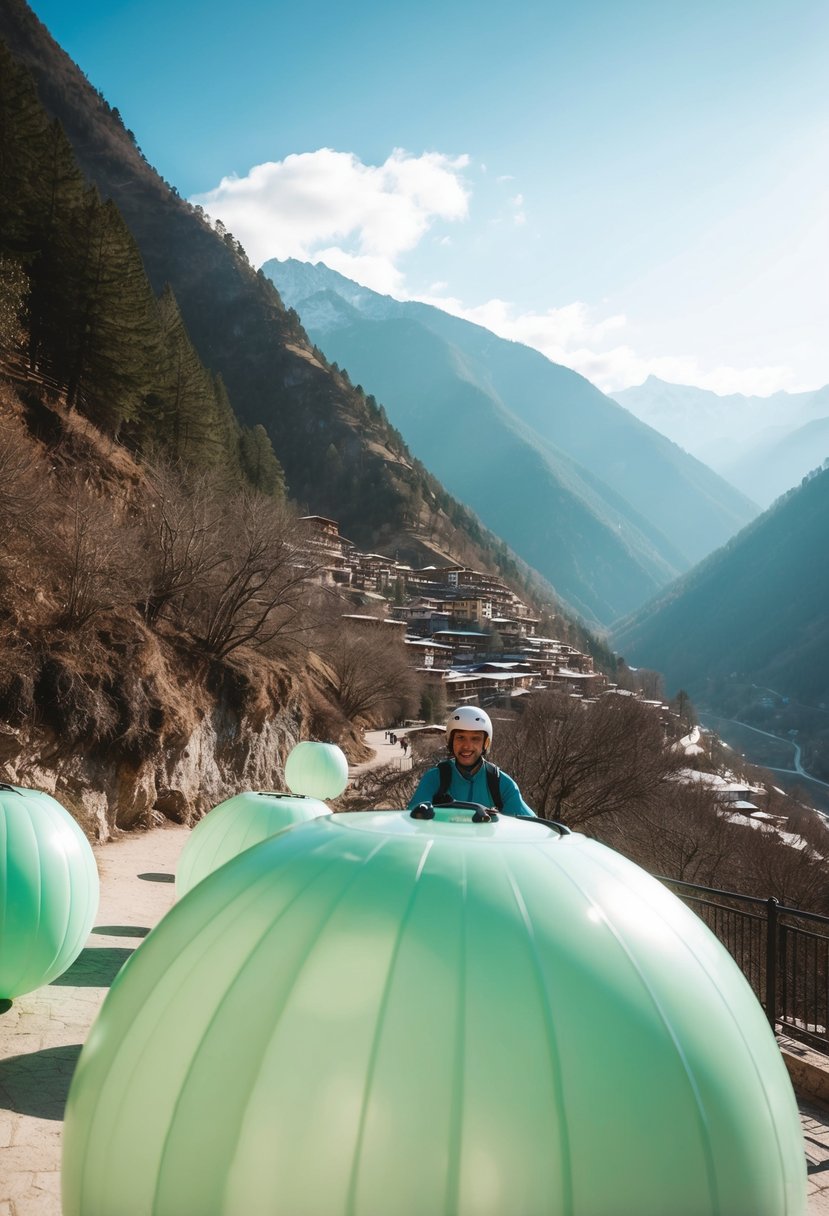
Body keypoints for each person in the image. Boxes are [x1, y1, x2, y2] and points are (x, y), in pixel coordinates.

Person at [407, 705, 533, 818]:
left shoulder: (500, 783)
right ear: (451, 741)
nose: (467, 746)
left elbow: (530, 825)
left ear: (486, 743)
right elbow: (413, 818)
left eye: (475, 739)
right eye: (460, 738)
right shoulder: (435, 778)